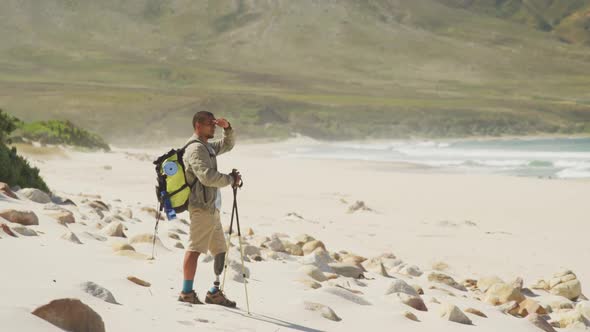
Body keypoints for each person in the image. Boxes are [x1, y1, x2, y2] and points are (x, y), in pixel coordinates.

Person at [178, 110, 241, 307]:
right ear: (198, 125)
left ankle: (214, 292)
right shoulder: (195, 149)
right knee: (195, 248)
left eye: (214, 124)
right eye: (210, 124)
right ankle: (186, 293)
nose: (213, 126)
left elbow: (227, 145)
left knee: (220, 250)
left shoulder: (206, 147)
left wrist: (227, 128)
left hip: (211, 207)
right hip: (201, 207)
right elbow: (207, 176)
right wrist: (231, 179)